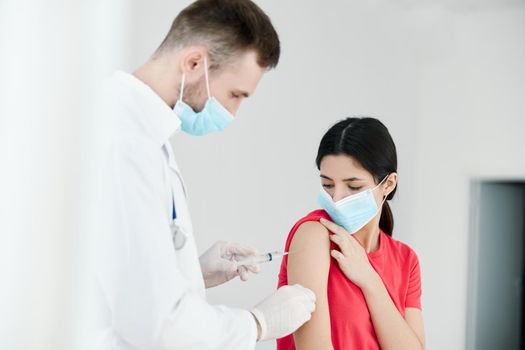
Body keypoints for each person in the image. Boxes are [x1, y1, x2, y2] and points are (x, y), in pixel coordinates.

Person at [94, 1, 316, 349]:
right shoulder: (126, 141)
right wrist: (257, 324)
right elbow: (157, 323)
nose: (232, 113)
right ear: (194, 63)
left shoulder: (149, 137)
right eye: (234, 95)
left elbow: (127, 273)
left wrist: (193, 273)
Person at [277, 117, 425, 349]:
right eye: (327, 184)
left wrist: (370, 279)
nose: (336, 198)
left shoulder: (406, 260)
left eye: (354, 186)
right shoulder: (314, 235)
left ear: (388, 184)